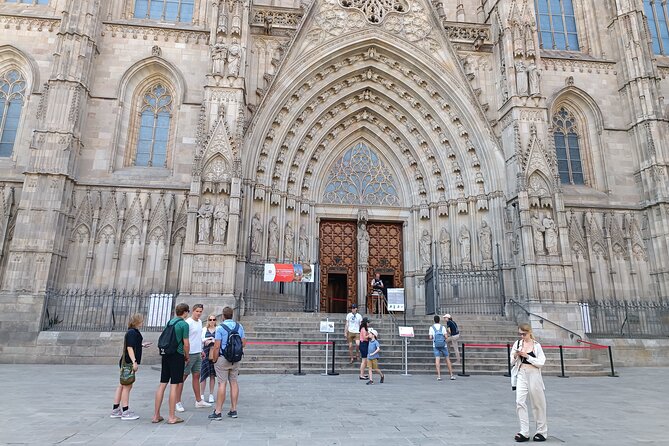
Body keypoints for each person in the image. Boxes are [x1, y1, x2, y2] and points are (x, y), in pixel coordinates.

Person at [152, 303, 190, 424]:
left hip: (166, 354)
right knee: (174, 385)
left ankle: (156, 415)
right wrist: (187, 356)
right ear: (184, 312)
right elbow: (186, 343)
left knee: (162, 384)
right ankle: (172, 416)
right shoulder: (184, 324)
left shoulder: (170, 322)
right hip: (177, 355)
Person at [110, 313, 151, 421]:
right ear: (137, 321)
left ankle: (115, 409)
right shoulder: (132, 332)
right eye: (141, 320)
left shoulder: (131, 331)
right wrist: (134, 362)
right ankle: (125, 411)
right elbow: (130, 348)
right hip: (128, 362)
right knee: (127, 386)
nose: (143, 322)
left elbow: (133, 345)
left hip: (125, 361)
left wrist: (141, 345)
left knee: (122, 385)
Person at [208, 306, 247, 420]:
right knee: (234, 382)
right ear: (232, 315)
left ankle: (218, 411)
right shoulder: (239, 326)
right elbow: (243, 343)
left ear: (223, 316)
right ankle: (233, 409)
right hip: (235, 359)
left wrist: (215, 359)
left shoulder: (220, 328)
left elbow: (216, 346)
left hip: (223, 358)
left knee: (222, 384)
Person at [511, 323, 547, 442]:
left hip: (534, 373)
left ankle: (541, 431)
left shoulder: (537, 346)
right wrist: (516, 355)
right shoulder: (517, 344)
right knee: (519, 401)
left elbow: (541, 362)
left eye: (524, 334)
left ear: (529, 332)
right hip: (521, 373)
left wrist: (527, 356)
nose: (522, 336)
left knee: (538, 403)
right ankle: (524, 431)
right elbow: (512, 361)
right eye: (520, 334)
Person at [176, 304, 211, 412]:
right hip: (189, 353)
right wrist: (186, 355)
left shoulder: (200, 322)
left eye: (200, 311)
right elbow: (185, 339)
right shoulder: (188, 323)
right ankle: (177, 402)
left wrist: (201, 350)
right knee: (182, 377)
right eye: (197, 311)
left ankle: (198, 400)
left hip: (197, 353)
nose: (199, 313)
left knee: (196, 376)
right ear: (192, 311)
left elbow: (198, 337)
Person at [429, 315, 455, 381]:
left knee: (437, 359)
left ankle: (439, 376)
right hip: (444, 345)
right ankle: (451, 375)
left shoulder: (431, 328)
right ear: (439, 320)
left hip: (436, 345)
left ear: (434, 320)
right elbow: (446, 337)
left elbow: (430, 337)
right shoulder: (442, 327)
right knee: (447, 359)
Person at [200, 313, 218, 404]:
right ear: (208, 320)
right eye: (210, 320)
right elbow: (201, 339)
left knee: (212, 375)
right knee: (203, 375)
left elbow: (219, 341)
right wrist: (208, 339)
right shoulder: (204, 329)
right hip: (205, 353)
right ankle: (202, 394)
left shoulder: (218, 329)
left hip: (214, 354)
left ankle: (211, 394)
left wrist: (211, 340)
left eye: (214, 319)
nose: (212, 321)